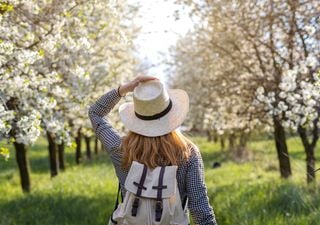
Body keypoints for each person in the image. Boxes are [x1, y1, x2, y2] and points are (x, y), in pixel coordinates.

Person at [88, 75, 217, 225]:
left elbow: (95, 113)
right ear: (172, 116)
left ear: (137, 118)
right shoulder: (187, 153)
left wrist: (124, 89)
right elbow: (201, 211)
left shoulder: (121, 149)